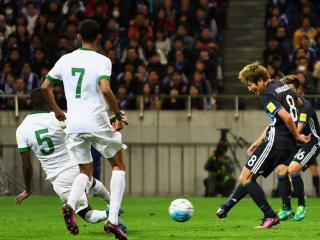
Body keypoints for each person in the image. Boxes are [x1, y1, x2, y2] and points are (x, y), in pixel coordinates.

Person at [41, 19, 128, 240]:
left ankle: (70, 204)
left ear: (79, 37)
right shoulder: (102, 60)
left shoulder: (65, 60)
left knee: (85, 172)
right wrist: (118, 115)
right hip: (96, 121)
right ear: (99, 37)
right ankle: (113, 220)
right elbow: (106, 89)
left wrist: (58, 110)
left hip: (74, 124)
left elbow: (45, 86)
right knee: (118, 166)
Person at [15, 89, 127, 233]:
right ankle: (113, 209)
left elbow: (27, 166)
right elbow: (88, 126)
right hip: (77, 166)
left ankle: (109, 213)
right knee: (90, 180)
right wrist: (112, 119)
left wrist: (28, 190)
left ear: (31, 103)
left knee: (88, 215)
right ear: (49, 101)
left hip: (59, 178)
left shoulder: (22, 129)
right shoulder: (59, 118)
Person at [216, 62, 310, 228]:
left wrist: (297, 135)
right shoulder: (281, 85)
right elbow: (299, 105)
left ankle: (270, 215)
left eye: (249, 84)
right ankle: (226, 207)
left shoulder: (266, 94)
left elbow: (287, 118)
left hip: (276, 142)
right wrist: (261, 140)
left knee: (246, 178)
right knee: (249, 177)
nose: (249, 88)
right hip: (286, 143)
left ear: (260, 81)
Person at [276, 75, 320, 221]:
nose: (288, 93)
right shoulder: (287, 108)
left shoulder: (305, 107)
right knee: (281, 171)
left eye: (291, 90)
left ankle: (302, 205)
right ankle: (286, 208)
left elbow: (298, 130)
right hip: (297, 143)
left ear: (298, 90)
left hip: (312, 143)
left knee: (292, 169)